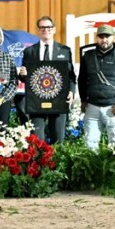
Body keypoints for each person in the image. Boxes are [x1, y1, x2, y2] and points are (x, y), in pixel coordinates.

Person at [18, 16, 76, 144]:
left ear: (54, 29)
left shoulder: (65, 50)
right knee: (37, 141)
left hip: (59, 99)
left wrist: (71, 92)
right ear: (38, 30)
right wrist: (22, 74)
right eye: (42, 28)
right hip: (36, 101)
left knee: (58, 140)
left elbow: (71, 76)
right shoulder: (29, 51)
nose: (46, 30)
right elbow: (25, 78)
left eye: (49, 27)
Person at [77, 24, 115, 151]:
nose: (104, 40)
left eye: (107, 36)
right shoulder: (88, 56)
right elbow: (81, 80)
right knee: (90, 146)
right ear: (97, 38)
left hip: (114, 108)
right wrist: (83, 100)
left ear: (113, 37)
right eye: (101, 37)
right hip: (92, 108)